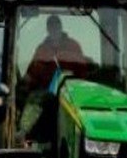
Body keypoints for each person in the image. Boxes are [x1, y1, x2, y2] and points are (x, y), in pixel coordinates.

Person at [17, 15, 88, 143]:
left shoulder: (73, 47)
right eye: (51, 27)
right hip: (47, 94)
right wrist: (22, 84)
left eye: (56, 26)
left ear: (60, 27)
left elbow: (83, 73)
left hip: (72, 94)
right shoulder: (42, 49)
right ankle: (24, 133)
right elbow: (32, 74)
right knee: (35, 98)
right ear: (48, 29)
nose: (54, 29)